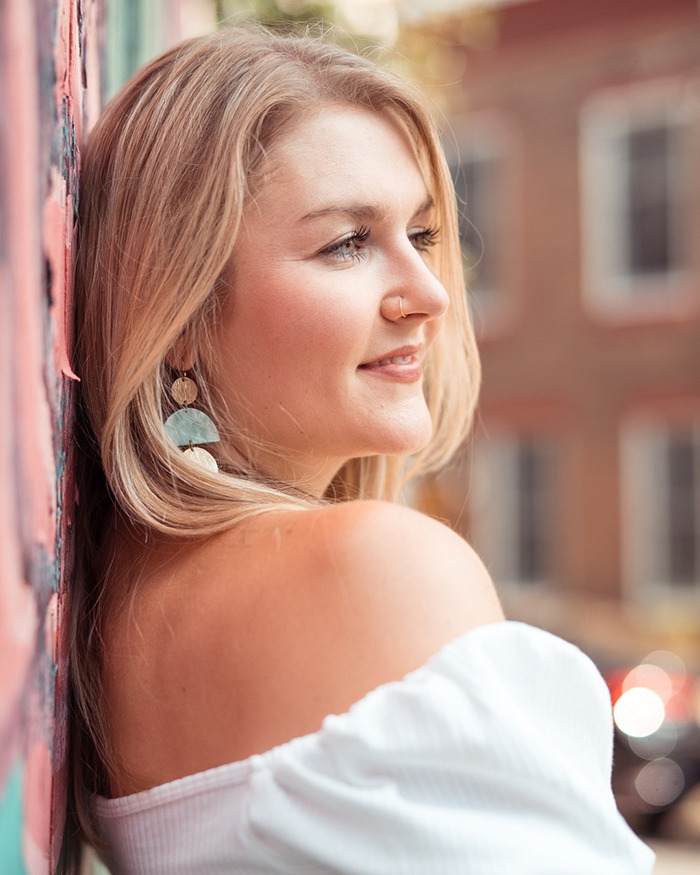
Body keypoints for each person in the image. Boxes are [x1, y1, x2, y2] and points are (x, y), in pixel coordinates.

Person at [64, 25, 654, 874]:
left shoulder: (120, 615)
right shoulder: (372, 570)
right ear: (182, 312)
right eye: (346, 242)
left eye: (420, 235)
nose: (427, 295)